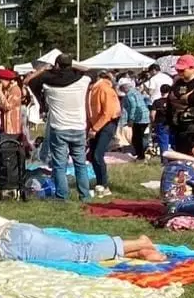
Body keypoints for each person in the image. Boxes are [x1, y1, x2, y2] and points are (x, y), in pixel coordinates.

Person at [28, 54, 91, 200]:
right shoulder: (83, 81)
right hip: (79, 126)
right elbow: (88, 70)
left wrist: (45, 69)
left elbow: (29, 81)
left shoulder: (49, 85)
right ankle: (85, 195)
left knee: (59, 165)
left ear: (57, 66)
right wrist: (71, 64)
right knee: (80, 164)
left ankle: (62, 196)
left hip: (59, 127)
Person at [86, 70, 120, 198]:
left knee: (97, 154)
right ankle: (99, 182)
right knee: (92, 155)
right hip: (97, 124)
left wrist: (95, 128)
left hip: (107, 124)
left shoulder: (104, 89)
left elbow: (108, 112)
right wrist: (89, 128)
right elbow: (91, 112)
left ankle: (104, 185)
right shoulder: (92, 90)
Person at [120, 78, 150, 160]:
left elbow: (133, 106)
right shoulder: (136, 91)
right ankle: (140, 154)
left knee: (137, 138)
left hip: (139, 118)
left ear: (124, 87)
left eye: (121, 88)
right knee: (139, 137)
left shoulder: (129, 95)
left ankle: (140, 156)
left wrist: (131, 119)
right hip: (145, 116)